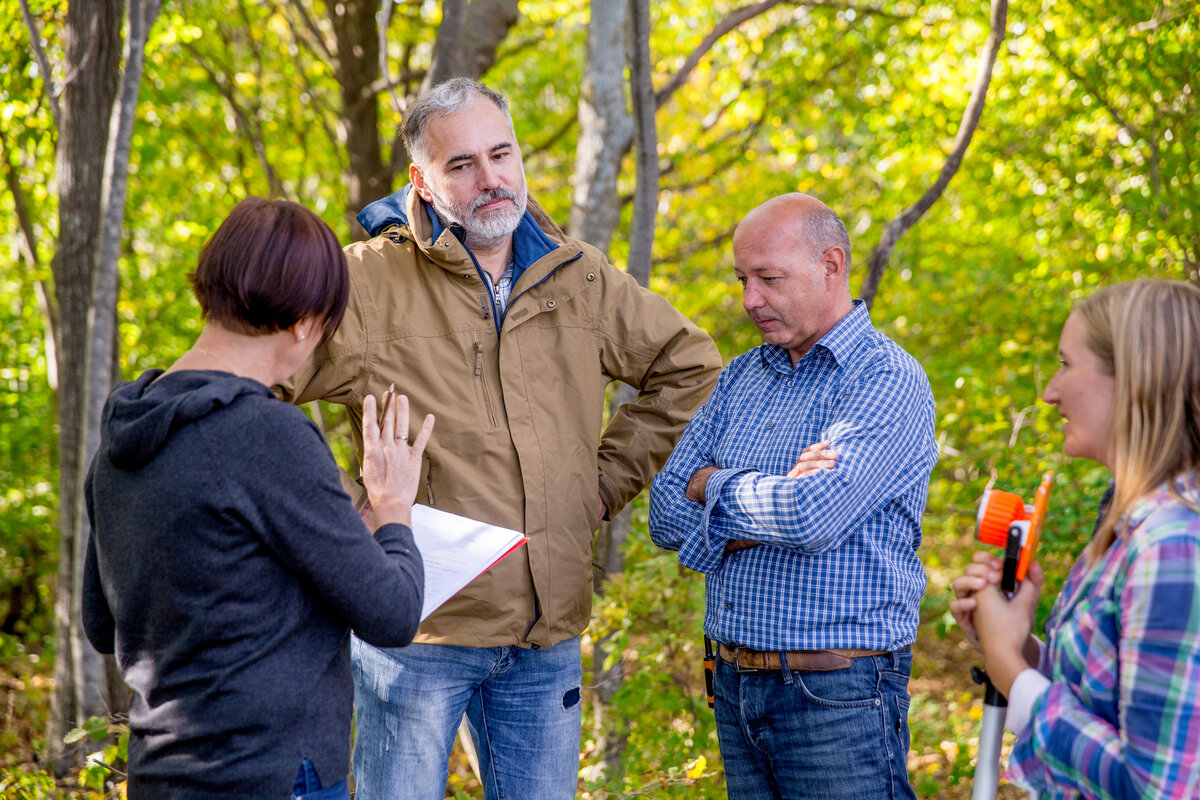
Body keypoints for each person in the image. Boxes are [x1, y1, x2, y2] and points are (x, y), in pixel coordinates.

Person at [278, 78, 721, 800]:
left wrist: (598, 486)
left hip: (547, 637)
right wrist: (334, 521)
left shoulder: (579, 276)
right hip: (417, 635)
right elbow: (253, 387)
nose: (490, 179)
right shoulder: (365, 283)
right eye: (461, 165)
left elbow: (690, 368)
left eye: (501, 154)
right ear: (421, 180)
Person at [82, 197, 433, 799]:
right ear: (304, 320)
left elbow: (100, 621)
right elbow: (393, 614)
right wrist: (393, 506)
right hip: (273, 772)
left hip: (161, 774)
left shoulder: (126, 428)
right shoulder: (267, 434)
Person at [649, 193, 937, 800]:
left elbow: (810, 516)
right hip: (733, 686)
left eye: (769, 279)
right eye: (742, 280)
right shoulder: (741, 377)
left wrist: (716, 482)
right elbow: (666, 511)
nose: (750, 300)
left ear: (831, 265)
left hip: (838, 693)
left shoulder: (886, 377)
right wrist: (771, 492)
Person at [951, 280, 1200, 798]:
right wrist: (1019, 643)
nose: (1050, 392)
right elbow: (1108, 697)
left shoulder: (1171, 543)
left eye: (1067, 364)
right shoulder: (1126, 518)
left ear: (1134, 379)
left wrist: (1012, 672)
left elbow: (1155, 786)